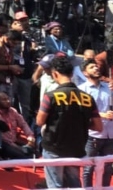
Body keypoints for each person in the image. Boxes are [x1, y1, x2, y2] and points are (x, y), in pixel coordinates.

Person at [35, 55, 101, 189]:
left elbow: (39, 121)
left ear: (55, 74)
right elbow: (98, 126)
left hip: (54, 147)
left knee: (55, 185)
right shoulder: (87, 98)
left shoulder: (50, 96)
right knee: (74, 185)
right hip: (77, 148)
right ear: (72, 74)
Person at [76, 58, 113, 188]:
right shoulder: (82, 90)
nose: (96, 68)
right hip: (92, 135)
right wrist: (101, 115)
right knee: (88, 167)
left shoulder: (108, 87)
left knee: (108, 167)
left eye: (96, 66)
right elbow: (80, 113)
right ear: (85, 73)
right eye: (92, 67)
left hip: (110, 134)